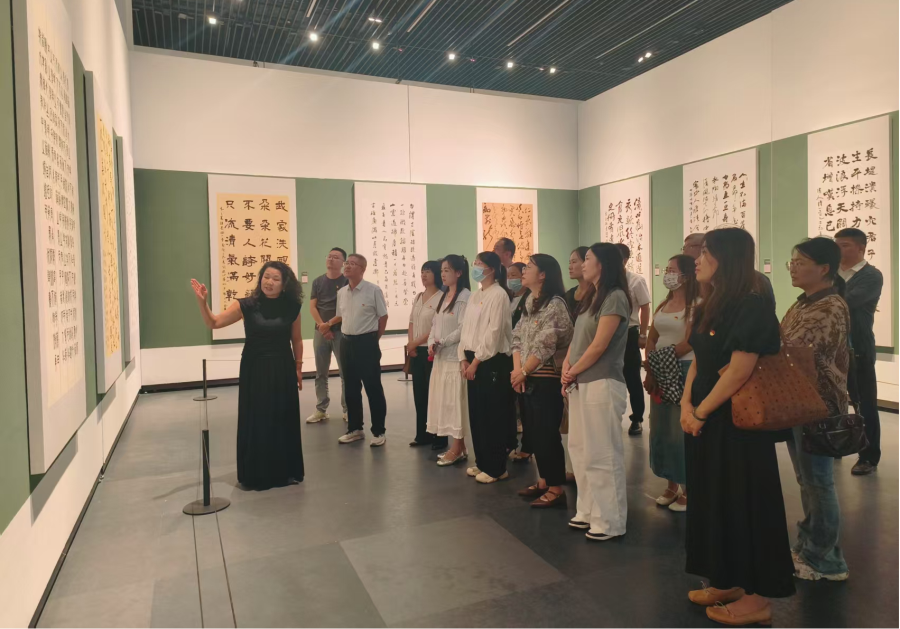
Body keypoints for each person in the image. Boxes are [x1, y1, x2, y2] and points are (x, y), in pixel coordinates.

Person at [681, 228, 794, 626]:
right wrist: (686, 403)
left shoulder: (752, 305)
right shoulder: (711, 304)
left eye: (705, 252)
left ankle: (757, 598)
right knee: (713, 499)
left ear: (726, 258)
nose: (696, 259)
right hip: (707, 418)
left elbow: (739, 371)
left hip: (736, 424)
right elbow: (699, 360)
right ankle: (726, 577)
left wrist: (700, 411)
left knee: (744, 503)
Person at [190, 262, 304, 489]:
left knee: (282, 416)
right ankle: (256, 473)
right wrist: (203, 303)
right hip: (255, 368)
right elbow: (213, 322)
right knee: (257, 418)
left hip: (282, 368)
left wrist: (298, 368)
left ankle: (285, 471)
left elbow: (296, 340)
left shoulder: (292, 306)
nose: (269, 282)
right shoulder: (246, 305)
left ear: (284, 284)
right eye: (266, 277)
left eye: (275, 279)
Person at [782, 237, 851, 581]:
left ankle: (827, 560)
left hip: (819, 405)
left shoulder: (830, 306)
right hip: (799, 401)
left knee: (819, 482)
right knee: (807, 480)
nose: (793, 268)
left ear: (824, 269)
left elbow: (794, 346)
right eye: (792, 262)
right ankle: (810, 544)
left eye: (801, 262)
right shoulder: (803, 303)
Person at [561, 243, 632, 541]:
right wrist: (567, 366)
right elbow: (578, 340)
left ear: (602, 264)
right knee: (580, 449)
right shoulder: (592, 296)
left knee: (602, 452)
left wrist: (572, 370)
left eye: (587, 259)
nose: (582, 264)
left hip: (602, 381)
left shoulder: (615, 297)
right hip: (580, 381)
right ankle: (588, 510)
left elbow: (600, 345)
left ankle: (609, 521)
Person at [512, 254, 573, 508]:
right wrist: (517, 371)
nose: (523, 271)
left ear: (543, 274)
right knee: (534, 433)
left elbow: (546, 344)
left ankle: (556, 489)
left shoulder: (555, 304)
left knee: (547, 434)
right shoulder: (529, 300)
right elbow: (517, 337)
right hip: (527, 376)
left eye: (529, 267)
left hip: (546, 378)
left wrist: (523, 372)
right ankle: (544, 480)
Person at [644, 255, 698, 512]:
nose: (667, 274)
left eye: (672, 269)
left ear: (686, 276)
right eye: (667, 269)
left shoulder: (696, 305)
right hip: (661, 369)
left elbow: (689, 342)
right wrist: (651, 366)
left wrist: (661, 360)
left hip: (684, 369)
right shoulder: (664, 304)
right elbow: (652, 338)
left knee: (679, 430)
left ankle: (688, 487)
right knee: (662, 428)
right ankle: (671, 482)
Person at [459, 251, 514, 483]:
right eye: (475, 263)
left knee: (493, 415)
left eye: (479, 264)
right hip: (472, 359)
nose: (475, 267)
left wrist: (476, 361)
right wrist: (463, 357)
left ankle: (497, 468)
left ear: (492, 269)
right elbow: (466, 328)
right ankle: (482, 462)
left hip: (490, 360)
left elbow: (494, 333)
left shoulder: (499, 295)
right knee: (477, 414)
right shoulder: (476, 295)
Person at [835, 227, 884, 476]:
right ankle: (831, 444)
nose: (838, 249)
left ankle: (868, 456)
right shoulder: (831, 273)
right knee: (832, 401)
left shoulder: (871, 275)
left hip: (858, 349)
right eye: (836, 245)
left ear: (861, 248)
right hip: (832, 349)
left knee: (864, 404)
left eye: (844, 245)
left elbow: (844, 302)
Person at [333, 254, 389, 446]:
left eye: (353, 264)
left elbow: (383, 317)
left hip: (367, 343)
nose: (347, 266)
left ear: (362, 269)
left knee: (373, 388)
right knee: (350, 388)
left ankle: (379, 431)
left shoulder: (373, 290)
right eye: (346, 263)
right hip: (346, 343)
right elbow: (341, 316)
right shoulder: (342, 292)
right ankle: (355, 429)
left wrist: (373, 340)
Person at [428, 255, 472, 466]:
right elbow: (434, 324)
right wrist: (431, 342)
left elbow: (464, 328)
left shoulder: (465, 297)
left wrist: (443, 342)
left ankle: (457, 447)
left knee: (455, 404)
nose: (443, 274)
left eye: (447, 270)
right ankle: (459, 447)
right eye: (442, 270)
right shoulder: (444, 295)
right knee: (445, 402)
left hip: (455, 358)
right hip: (441, 359)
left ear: (459, 273)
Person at [307, 247, 349, 423]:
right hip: (320, 333)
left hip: (341, 332)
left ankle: (347, 409)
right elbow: (312, 307)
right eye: (329, 256)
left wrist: (329, 325)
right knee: (321, 373)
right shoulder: (317, 281)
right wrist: (322, 327)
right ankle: (321, 409)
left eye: (335, 257)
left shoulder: (347, 281)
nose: (331, 259)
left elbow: (346, 309)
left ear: (343, 263)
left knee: (345, 373)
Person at [407, 261, 445, 449]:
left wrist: (415, 342)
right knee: (419, 394)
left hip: (431, 350)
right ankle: (422, 434)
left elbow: (435, 327)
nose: (424, 275)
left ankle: (439, 437)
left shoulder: (441, 298)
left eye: (428, 271)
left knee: (434, 394)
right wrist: (411, 344)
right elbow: (412, 322)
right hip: (416, 351)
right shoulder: (418, 296)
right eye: (422, 271)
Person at [614, 243, 651, 436]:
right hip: (610, 335)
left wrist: (643, 334)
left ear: (625, 260)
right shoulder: (607, 281)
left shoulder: (636, 280)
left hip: (629, 333)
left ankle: (637, 418)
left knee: (632, 377)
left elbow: (645, 307)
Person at [684, 232, 776, 309]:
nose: (697, 261)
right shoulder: (713, 300)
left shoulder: (750, 304)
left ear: (723, 256)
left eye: (704, 252)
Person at [508, 261, 532, 461]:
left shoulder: (529, 299)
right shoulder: (507, 297)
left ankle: (528, 445)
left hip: (525, 358)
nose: (511, 280)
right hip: (509, 355)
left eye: (514, 275)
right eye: (508, 276)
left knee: (525, 404)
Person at [564, 246, 591, 319]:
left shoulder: (598, 293)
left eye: (574, 262)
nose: (570, 267)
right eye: (569, 263)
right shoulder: (569, 294)